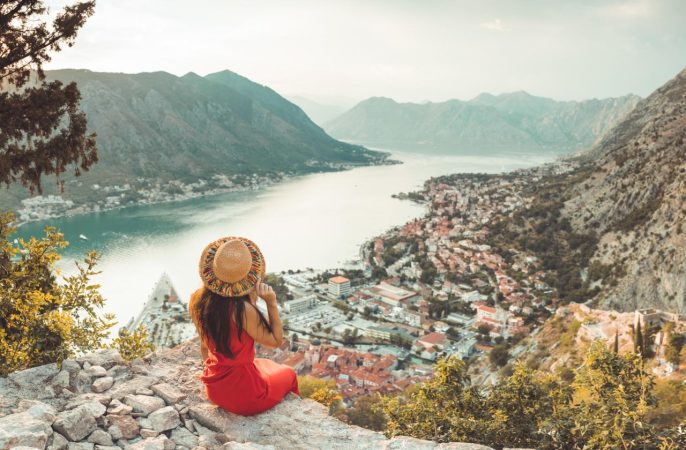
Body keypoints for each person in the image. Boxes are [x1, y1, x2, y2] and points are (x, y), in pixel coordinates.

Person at [189, 236, 300, 416]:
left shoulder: (197, 300)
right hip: (246, 395)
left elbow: (204, 347)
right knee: (289, 373)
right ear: (249, 276)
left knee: (264, 363)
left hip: (215, 387)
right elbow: (275, 341)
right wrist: (271, 302)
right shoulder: (241, 310)